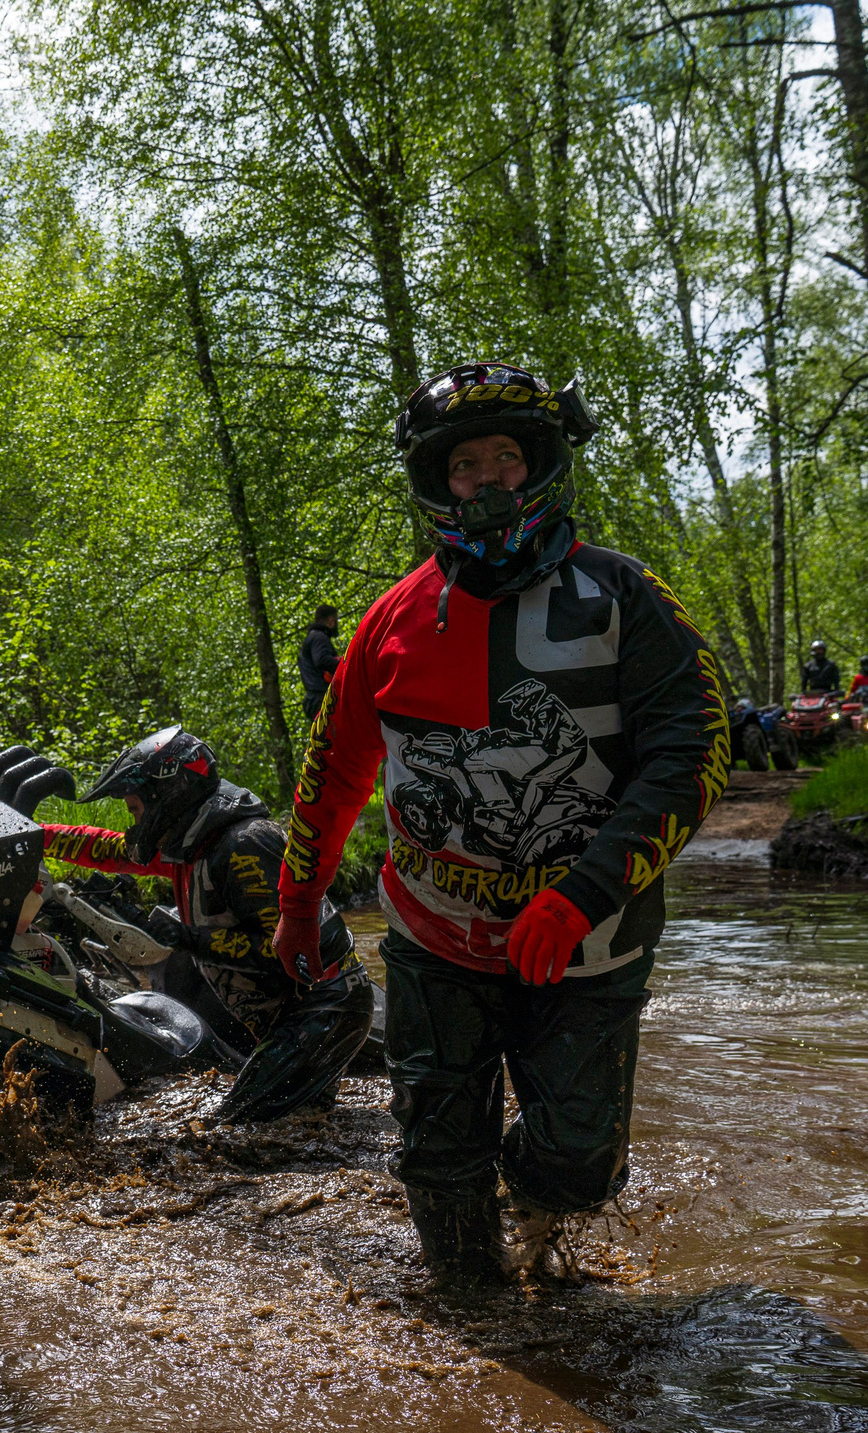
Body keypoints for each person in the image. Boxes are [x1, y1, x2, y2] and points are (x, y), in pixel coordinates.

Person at [269, 361, 729, 1287]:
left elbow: (696, 752)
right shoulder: (388, 621)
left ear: (541, 464)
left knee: (579, 1164)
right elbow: (333, 769)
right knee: (439, 1165)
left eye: (505, 458)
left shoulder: (625, 596)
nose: (486, 481)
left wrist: (582, 894)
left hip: (589, 939)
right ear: (438, 482)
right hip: (432, 937)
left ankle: (536, 1222)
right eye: (464, 465)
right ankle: (472, 1328)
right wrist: (298, 901)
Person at [36, 727, 373, 1125]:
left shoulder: (242, 846)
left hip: (324, 1006)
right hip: (298, 1014)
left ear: (168, 797)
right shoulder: (192, 846)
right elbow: (107, 848)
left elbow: (281, 950)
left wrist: (187, 938)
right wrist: (35, 837)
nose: (134, 822)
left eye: (135, 809)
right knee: (303, 1125)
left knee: (237, 1132)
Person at [298, 604, 344, 725]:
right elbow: (322, 660)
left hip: (316, 699)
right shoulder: (319, 637)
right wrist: (345, 665)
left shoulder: (313, 637)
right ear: (331, 620)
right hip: (322, 698)